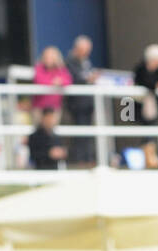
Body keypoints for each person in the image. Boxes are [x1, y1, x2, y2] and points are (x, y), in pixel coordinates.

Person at [65, 35, 97, 167]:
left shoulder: (86, 62)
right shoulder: (69, 62)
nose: (87, 53)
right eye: (85, 49)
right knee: (80, 132)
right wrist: (87, 79)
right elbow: (73, 78)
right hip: (77, 104)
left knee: (88, 132)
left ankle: (89, 158)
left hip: (88, 103)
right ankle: (80, 160)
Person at [32, 45, 72, 115]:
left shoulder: (61, 69)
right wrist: (52, 82)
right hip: (40, 107)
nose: (48, 59)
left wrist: (60, 82)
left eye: (51, 57)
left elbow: (68, 80)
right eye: (47, 57)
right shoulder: (39, 68)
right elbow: (38, 80)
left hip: (55, 107)